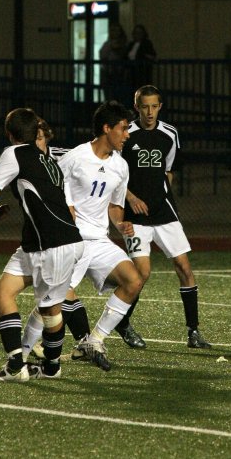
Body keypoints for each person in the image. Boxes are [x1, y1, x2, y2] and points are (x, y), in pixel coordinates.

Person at [21, 100, 144, 371]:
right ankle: (21, 353)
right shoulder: (75, 158)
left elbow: (114, 205)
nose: (127, 134)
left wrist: (120, 224)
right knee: (53, 299)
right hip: (71, 239)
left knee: (134, 280)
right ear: (106, 128)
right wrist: (66, 210)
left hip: (99, 240)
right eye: (123, 129)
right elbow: (53, 188)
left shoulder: (120, 166)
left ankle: (94, 340)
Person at [0, 107, 84, 383]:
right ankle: (21, 365)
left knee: (50, 310)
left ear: (9, 134)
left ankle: (45, 368)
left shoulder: (13, 153)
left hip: (51, 245)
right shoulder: (48, 161)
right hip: (45, 242)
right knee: (3, 292)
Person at [118, 85, 211, 349]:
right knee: (141, 274)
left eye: (154, 106)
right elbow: (114, 173)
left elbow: (170, 170)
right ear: (136, 107)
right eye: (144, 106)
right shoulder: (126, 135)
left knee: (184, 267)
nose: (149, 112)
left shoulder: (170, 134)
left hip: (164, 212)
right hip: (134, 216)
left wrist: (162, 193)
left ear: (160, 106)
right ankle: (123, 323)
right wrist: (131, 198)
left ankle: (193, 332)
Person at [99, 23, 128, 101]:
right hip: (108, 72)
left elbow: (122, 54)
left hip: (118, 73)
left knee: (117, 95)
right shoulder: (107, 43)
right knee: (108, 95)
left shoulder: (123, 43)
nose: (114, 33)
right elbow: (102, 54)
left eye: (116, 31)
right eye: (112, 30)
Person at [126, 24, 156, 89]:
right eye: (136, 33)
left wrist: (143, 56)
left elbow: (152, 55)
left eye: (140, 32)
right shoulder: (131, 44)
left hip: (142, 72)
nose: (138, 34)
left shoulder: (147, 43)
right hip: (131, 72)